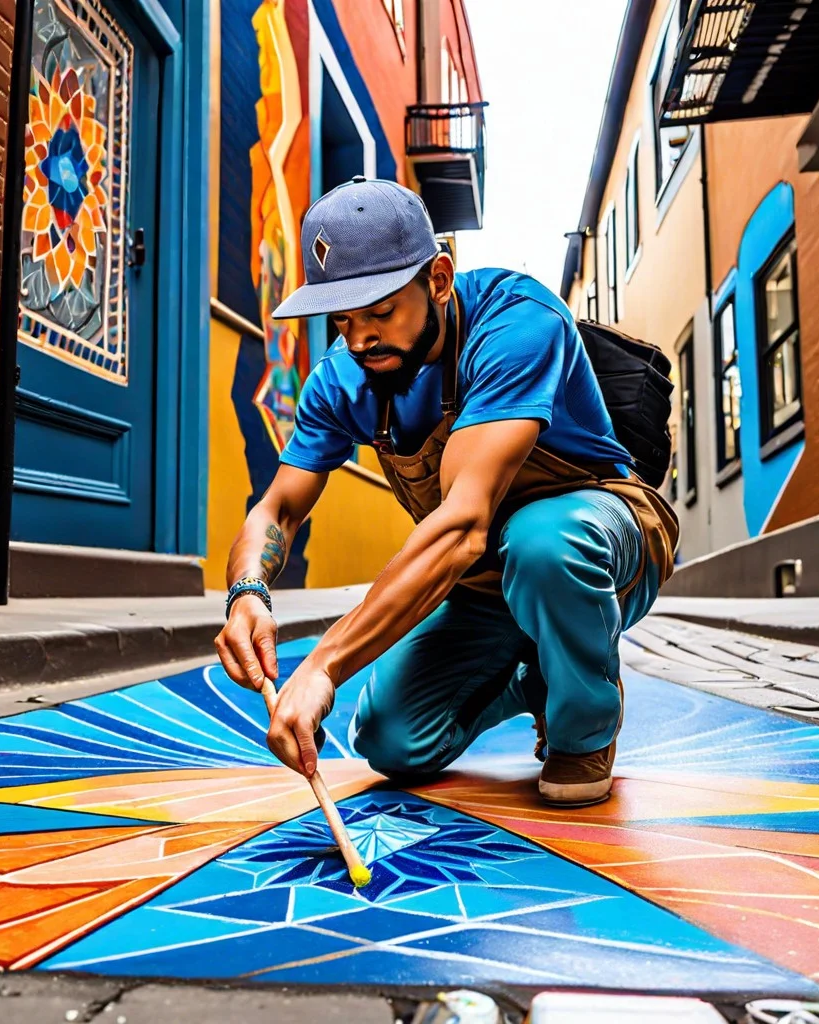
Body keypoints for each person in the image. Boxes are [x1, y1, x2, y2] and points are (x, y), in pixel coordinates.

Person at [215, 177, 678, 807]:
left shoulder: (517, 322)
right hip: (483, 583)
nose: (359, 340)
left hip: (602, 533)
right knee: (392, 741)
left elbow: (462, 527)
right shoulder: (341, 381)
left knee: (543, 543)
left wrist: (323, 667)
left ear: (438, 278)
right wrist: (247, 592)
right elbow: (278, 506)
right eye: (342, 319)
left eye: (380, 311)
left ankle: (583, 727)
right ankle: (539, 676)